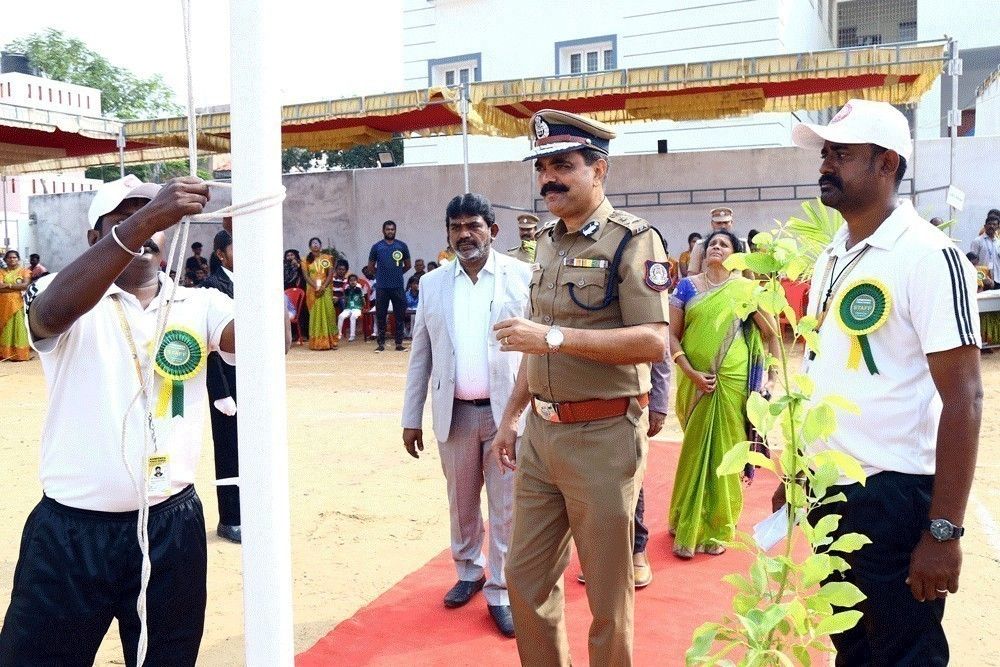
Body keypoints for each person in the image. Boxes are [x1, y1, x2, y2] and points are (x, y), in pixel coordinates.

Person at [781, 98, 982, 665]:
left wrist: (943, 531)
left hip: (893, 496)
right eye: (825, 153)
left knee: (904, 654)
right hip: (829, 489)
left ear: (887, 163)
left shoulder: (929, 254)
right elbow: (823, 372)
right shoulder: (833, 255)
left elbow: (964, 396)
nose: (826, 164)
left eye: (842, 154)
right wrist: (799, 471)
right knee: (852, 647)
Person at [0, 174, 230, 663]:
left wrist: (256, 246)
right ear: (94, 237)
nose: (146, 228)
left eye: (154, 218)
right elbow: (47, 316)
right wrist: (148, 218)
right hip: (70, 533)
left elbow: (272, 342)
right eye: (123, 219)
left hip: (171, 529)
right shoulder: (58, 292)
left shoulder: (201, 302)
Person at [491, 109, 670, 666]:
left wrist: (552, 337)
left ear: (599, 170)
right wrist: (512, 416)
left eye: (563, 165)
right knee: (524, 579)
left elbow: (653, 341)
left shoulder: (632, 241)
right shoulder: (546, 241)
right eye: (542, 168)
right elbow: (535, 345)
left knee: (606, 596)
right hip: (542, 436)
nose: (549, 179)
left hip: (603, 436)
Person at [402, 192, 532, 639]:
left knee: (506, 506)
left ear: (492, 230)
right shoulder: (433, 283)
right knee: (461, 503)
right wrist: (411, 416)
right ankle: (469, 571)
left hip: (506, 417)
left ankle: (501, 590)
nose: (464, 234)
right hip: (453, 414)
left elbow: (535, 349)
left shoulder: (522, 277)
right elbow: (421, 353)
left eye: (473, 225)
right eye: (455, 227)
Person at [667, 229, 779, 558]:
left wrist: (773, 378)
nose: (717, 247)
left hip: (733, 382)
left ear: (735, 254)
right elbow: (671, 336)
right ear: (704, 252)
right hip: (694, 382)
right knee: (694, 451)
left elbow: (771, 333)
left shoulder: (744, 289)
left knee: (728, 452)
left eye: (724, 244)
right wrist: (690, 372)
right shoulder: (686, 287)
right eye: (712, 243)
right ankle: (685, 518)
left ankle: (719, 526)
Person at [199, 228, 242, 544]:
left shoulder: (254, 280)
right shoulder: (211, 287)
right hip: (226, 378)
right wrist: (220, 392)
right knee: (229, 448)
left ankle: (253, 511)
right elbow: (208, 347)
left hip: (253, 377)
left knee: (254, 447)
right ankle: (231, 518)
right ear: (220, 254)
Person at [367, 220, 411, 351]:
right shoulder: (377, 247)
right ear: (383, 231)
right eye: (388, 229)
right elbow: (370, 267)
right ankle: (381, 344)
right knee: (381, 315)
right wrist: (381, 274)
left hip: (397, 286)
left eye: (392, 229)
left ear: (395, 230)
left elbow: (408, 265)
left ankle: (399, 344)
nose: (390, 231)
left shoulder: (402, 246)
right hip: (382, 287)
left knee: (399, 315)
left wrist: (396, 273)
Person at [302, 237, 338, 351]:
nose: (315, 245)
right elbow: (306, 276)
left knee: (329, 313)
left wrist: (323, 286)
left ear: (320, 245)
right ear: (310, 246)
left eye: (317, 243)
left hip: (325, 289)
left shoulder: (326, 258)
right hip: (313, 290)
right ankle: (317, 343)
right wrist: (316, 287)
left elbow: (329, 274)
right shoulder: (305, 260)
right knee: (315, 315)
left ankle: (332, 341)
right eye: (313, 243)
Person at [686, 207, 747, 275]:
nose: (723, 226)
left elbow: (748, 274)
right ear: (712, 224)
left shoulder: (742, 244)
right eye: (719, 223)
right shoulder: (700, 245)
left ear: (731, 223)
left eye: (726, 222)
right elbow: (692, 273)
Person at [0, 250, 32, 362]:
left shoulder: (24, 271)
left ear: (18, 259)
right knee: (6, 328)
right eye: (9, 257)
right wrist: (16, 287)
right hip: (4, 304)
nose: (12, 259)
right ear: (5, 260)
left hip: (19, 304)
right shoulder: (1, 272)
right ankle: (6, 354)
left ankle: (20, 355)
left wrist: (7, 285)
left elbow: (25, 286)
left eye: (14, 257)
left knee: (19, 328)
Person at [970, 216, 1000, 286]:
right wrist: (982, 277)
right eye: (989, 224)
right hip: (983, 280)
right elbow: (971, 262)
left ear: (998, 227)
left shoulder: (998, 243)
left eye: (994, 224)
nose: (991, 226)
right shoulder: (977, 241)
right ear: (985, 226)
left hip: (997, 280)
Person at [338, 274, 365, 341]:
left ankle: (352, 335)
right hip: (348, 308)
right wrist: (345, 306)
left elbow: (363, 299)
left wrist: (363, 307)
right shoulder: (347, 290)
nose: (353, 282)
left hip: (357, 308)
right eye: (351, 280)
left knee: (352, 317)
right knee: (341, 316)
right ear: (348, 282)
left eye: (354, 280)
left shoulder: (359, 289)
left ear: (357, 281)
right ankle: (339, 334)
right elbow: (345, 299)